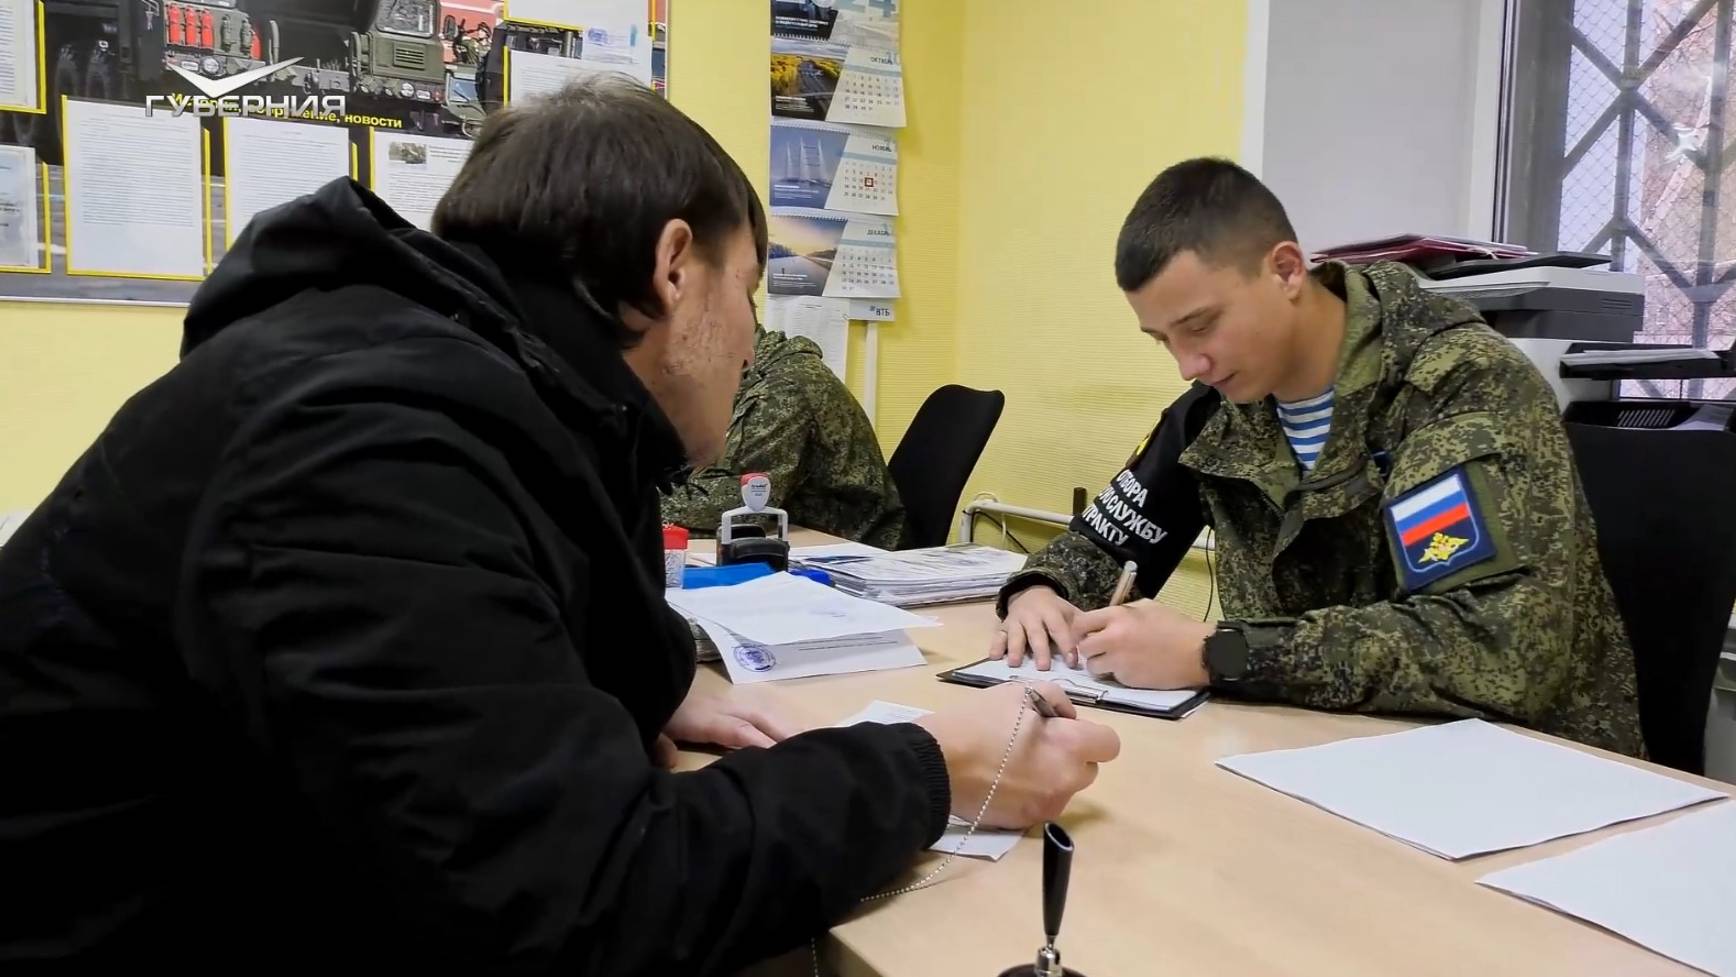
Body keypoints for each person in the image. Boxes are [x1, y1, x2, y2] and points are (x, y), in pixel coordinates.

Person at [0, 78, 1120, 971]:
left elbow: (530, 642)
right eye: (749, 290)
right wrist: (927, 766)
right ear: (674, 268)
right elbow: (583, 903)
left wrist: (656, 680)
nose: (750, 339)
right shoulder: (371, 441)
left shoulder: (491, 393)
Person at [991, 157, 1644, 757]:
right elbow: (1102, 548)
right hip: (1306, 758)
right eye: (1163, 338)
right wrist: (1039, 593)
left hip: (1521, 783)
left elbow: (1492, 649)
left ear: (1285, 270)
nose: (1190, 362)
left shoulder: (1454, 388)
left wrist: (1217, 654)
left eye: (1201, 324)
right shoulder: (1219, 408)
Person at [660, 322, 906, 548]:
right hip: (793, 533)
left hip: (853, 550)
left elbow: (736, 504)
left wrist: (631, 500)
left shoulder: (783, 389)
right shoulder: (741, 376)